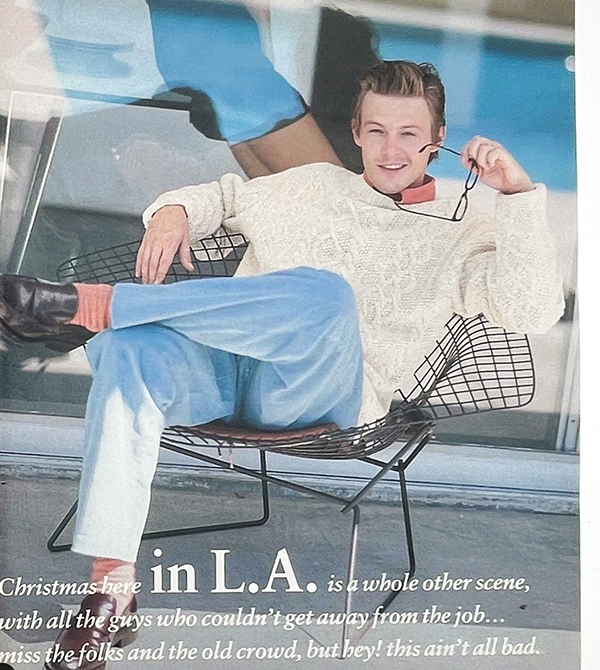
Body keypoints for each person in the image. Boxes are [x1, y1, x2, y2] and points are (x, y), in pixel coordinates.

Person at [0, 61, 564, 670]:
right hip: (223, 371)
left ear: (437, 136)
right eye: (377, 131)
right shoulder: (313, 184)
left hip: (320, 396)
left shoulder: (464, 231)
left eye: (408, 133)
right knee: (129, 350)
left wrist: (517, 193)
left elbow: (531, 309)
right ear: (355, 131)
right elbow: (220, 196)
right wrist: (174, 212)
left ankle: (93, 307)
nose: (392, 149)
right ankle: (112, 587)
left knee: (323, 295)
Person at [99, 0, 342, 178]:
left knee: (278, 189)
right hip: (200, 48)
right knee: (327, 183)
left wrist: (267, 48)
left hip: (238, 48)